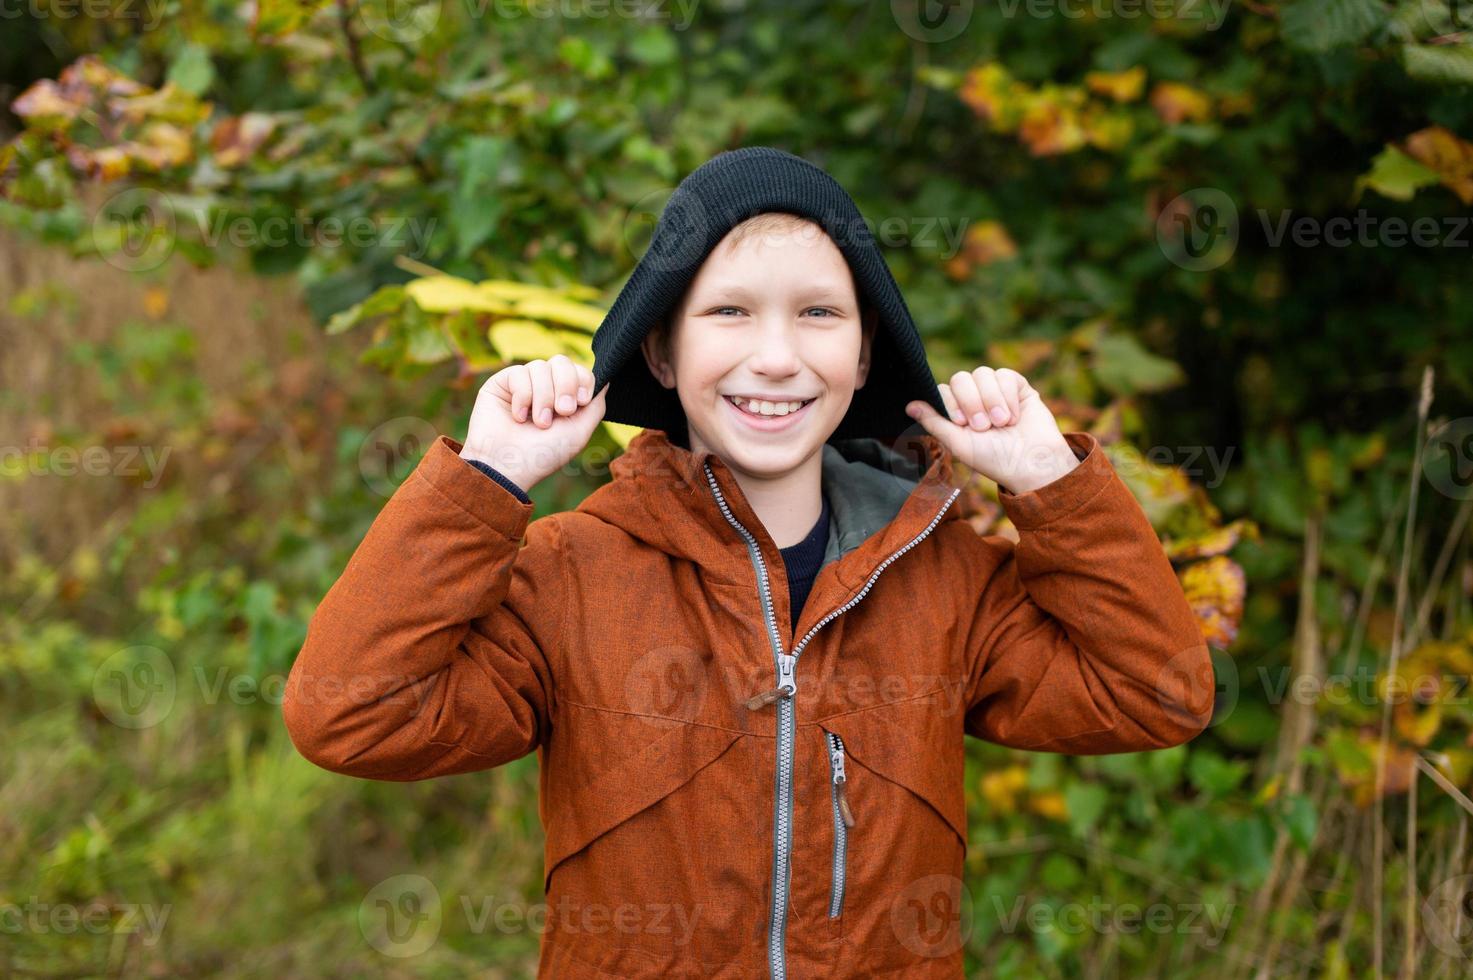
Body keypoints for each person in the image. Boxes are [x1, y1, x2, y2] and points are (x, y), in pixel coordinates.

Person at [282, 146, 1214, 978]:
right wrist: (485, 481)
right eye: (728, 312)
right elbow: (350, 718)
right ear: (660, 347)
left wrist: (1052, 481)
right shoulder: (569, 573)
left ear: (861, 359)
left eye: (817, 313)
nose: (774, 357)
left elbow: (1156, 693)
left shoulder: (946, 576)